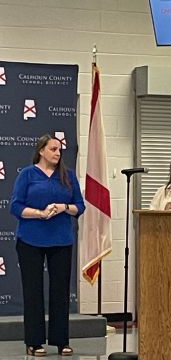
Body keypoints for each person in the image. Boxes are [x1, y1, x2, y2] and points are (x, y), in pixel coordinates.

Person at [10, 134, 85, 357]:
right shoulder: (27, 174)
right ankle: (34, 342)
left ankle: (61, 341)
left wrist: (64, 207)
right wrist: (40, 214)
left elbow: (79, 206)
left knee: (60, 291)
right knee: (33, 291)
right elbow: (15, 206)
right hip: (30, 239)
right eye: (53, 149)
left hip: (61, 239)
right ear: (41, 150)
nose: (57, 153)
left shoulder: (67, 175)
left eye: (59, 150)